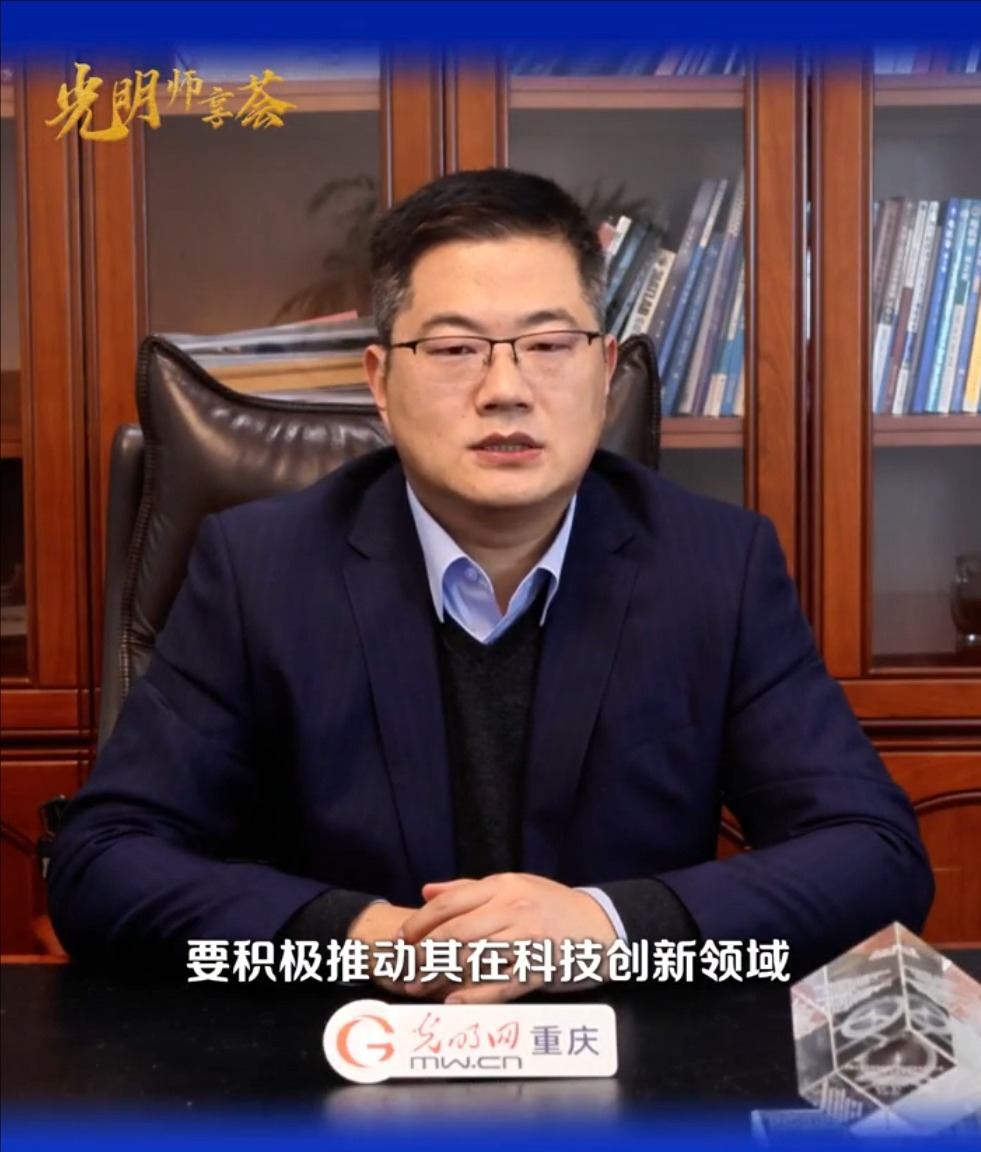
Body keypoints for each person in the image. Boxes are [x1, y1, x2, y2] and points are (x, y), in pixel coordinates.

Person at [47, 168, 933, 999]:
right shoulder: (260, 569)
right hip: (344, 1053)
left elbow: (873, 854)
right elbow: (102, 863)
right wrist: (363, 938)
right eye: (454, 348)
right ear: (380, 382)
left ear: (604, 370)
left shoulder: (713, 566)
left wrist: (607, 928)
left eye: (548, 345)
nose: (505, 389)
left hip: (622, 1057)